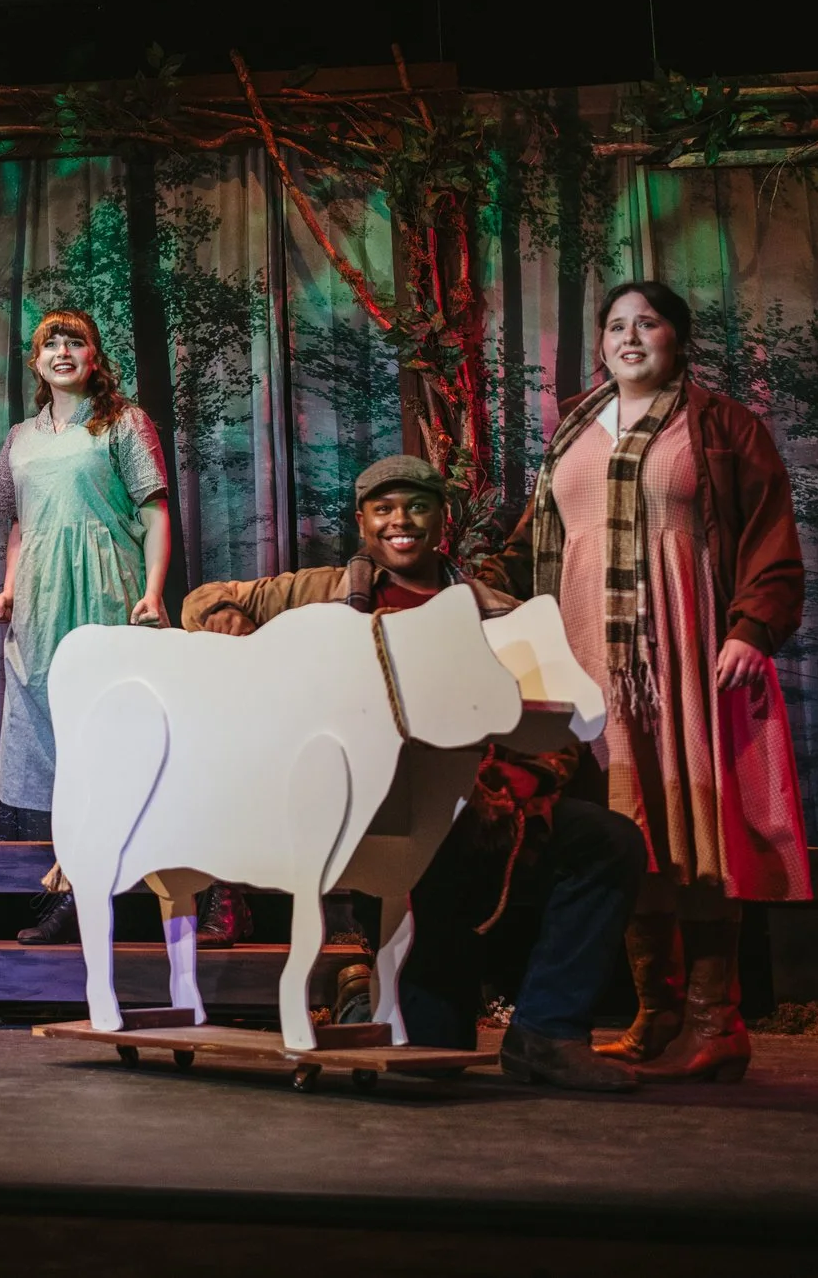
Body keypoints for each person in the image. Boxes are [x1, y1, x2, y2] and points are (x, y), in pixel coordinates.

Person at [184, 453, 648, 1092]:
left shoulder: (495, 610)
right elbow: (206, 599)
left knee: (609, 840)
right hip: (373, 811)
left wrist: (512, 787)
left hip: (483, 805)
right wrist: (228, 623)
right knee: (437, 1056)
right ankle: (403, 1008)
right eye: (384, 509)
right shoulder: (323, 592)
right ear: (364, 523)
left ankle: (547, 1030)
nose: (401, 521)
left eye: (417, 507)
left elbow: (555, 724)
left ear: (442, 520)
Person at [508, 279, 810, 1084]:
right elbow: (540, 538)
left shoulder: (717, 425)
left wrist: (752, 625)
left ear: (679, 338)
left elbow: (770, 531)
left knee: (693, 829)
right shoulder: (574, 426)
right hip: (585, 657)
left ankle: (719, 1021)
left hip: (686, 646)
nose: (629, 336)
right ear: (600, 342)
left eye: (648, 323)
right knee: (623, 828)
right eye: (615, 325)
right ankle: (658, 1011)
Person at [0, 309, 171, 944]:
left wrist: (151, 591)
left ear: (94, 355)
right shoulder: (20, 437)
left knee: (106, 728)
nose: (62, 352)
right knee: (51, 721)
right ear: (35, 363)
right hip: (39, 591)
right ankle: (74, 872)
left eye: (75, 342)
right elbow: (16, 524)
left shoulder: (122, 421)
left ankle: (81, 885)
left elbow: (154, 510)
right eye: (49, 344)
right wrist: (9, 588)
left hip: (104, 581)